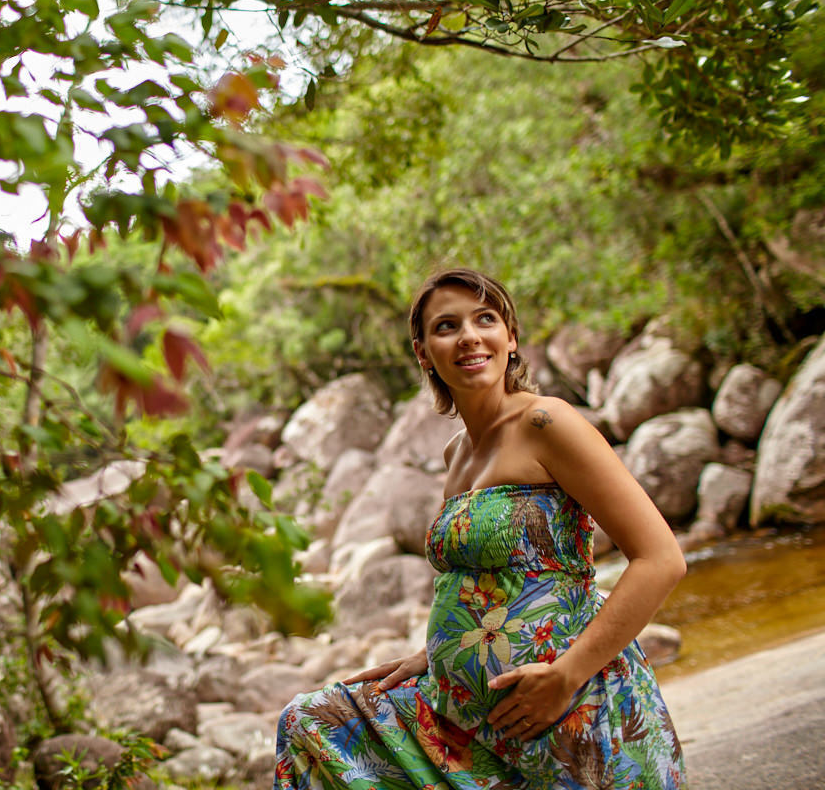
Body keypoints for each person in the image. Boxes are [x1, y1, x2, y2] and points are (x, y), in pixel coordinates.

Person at [273, 268, 688, 790]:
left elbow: (661, 558)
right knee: (311, 722)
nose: (469, 335)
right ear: (424, 352)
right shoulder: (457, 452)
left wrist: (567, 674)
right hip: (475, 721)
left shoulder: (546, 423)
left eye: (485, 319)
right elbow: (482, 580)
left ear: (509, 338)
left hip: (572, 709)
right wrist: (434, 655)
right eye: (447, 326)